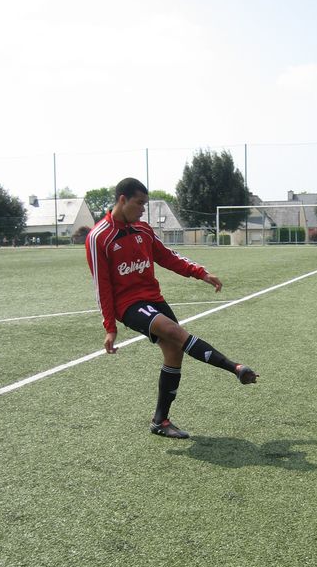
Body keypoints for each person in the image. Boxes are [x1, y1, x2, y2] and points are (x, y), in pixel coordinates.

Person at [85, 178, 258, 439]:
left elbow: (167, 256)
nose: (143, 209)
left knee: (174, 352)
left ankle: (160, 421)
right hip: (129, 305)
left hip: (153, 299)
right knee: (175, 332)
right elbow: (102, 286)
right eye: (139, 203)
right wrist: (110, 327)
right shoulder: (99, 237)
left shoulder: (143, 229)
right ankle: (235, 368)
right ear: (122, 199)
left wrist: (200, 273)